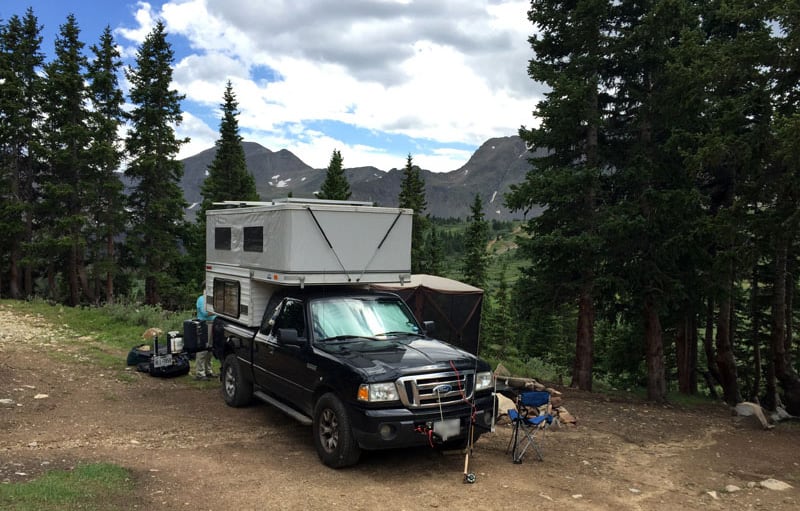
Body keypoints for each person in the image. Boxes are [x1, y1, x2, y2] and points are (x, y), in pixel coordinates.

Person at [195, 291, 216, 380]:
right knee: (202, 349)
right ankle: (200, 373)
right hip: (204, 324)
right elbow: (205, 313)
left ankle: (208, 370)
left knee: (210, 350)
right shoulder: (201, 299)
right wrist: (217, 311)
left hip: (213, 324)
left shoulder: (212, 298)